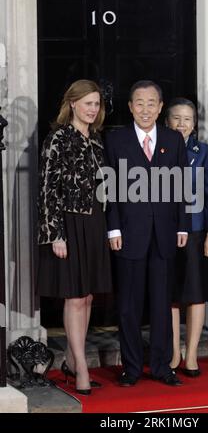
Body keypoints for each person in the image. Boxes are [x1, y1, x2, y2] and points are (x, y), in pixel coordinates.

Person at [105, 80, 189, 387]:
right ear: (130, 107)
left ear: (160, 106)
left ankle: (162, 366)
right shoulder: (116, 140)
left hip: (165, 233)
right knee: (128, 305)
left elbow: (180, 186)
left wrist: (182, 225)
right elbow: (111, 189)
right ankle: (131, 368)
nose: (145, 109)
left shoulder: (173, 139)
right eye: (139, 103)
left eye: (151, 103)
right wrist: (113, 227)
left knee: (161, 303)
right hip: (128, 233)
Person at [37, 79, 112, 395]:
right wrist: (55, 234)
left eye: (96, 104)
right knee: (75, 296)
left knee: (89, 296)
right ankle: (81, 366)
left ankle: (71, 358)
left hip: (94, 223)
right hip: (67, 225)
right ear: (72, 104)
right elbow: (46, 190)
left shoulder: (96, 140)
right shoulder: (57, 139)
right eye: (88, 103)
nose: (93, 109)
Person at [166, 98, 208, 376]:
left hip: (197, 231)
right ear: (167, 121)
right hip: (166, 232)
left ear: (194, 123)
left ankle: (193, 353)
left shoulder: (205, 152)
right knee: (171, 295)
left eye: (187, 119)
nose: (181, 124)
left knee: (196, 295)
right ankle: (174, 352)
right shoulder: (157, 149)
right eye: (176, 118)